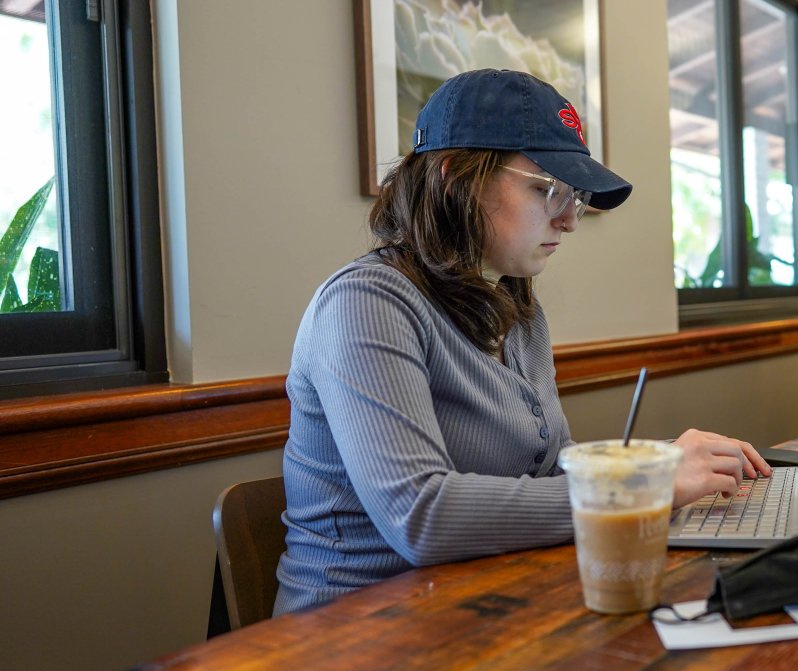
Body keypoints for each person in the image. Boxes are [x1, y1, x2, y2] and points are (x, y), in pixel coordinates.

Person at [273, 69, 771, 615]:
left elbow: (544, 474)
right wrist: (644, 485)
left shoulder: (517, 307)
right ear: (452, 176)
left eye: (574, 197)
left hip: (489, 599)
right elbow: (421, 516)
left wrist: (661, 467)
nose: (569, 219)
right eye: (547, 189)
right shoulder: (366, 302)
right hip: (356, 630)